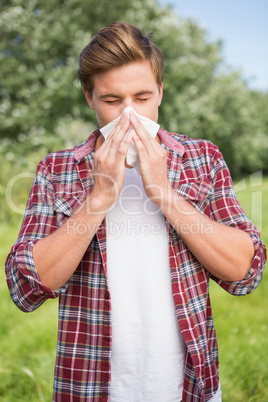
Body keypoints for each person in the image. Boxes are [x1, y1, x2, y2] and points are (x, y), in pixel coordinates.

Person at [5, 22, 266, 402]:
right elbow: (24, 289)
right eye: (112, 100)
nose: (129, 115)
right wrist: (98, 199)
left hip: (190, 388)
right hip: (89, 389)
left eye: (142, 98)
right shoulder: (56, 170)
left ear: (160, 92)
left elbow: (247, 272)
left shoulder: (202, 159)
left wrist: (164, 194)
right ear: (89, 97)